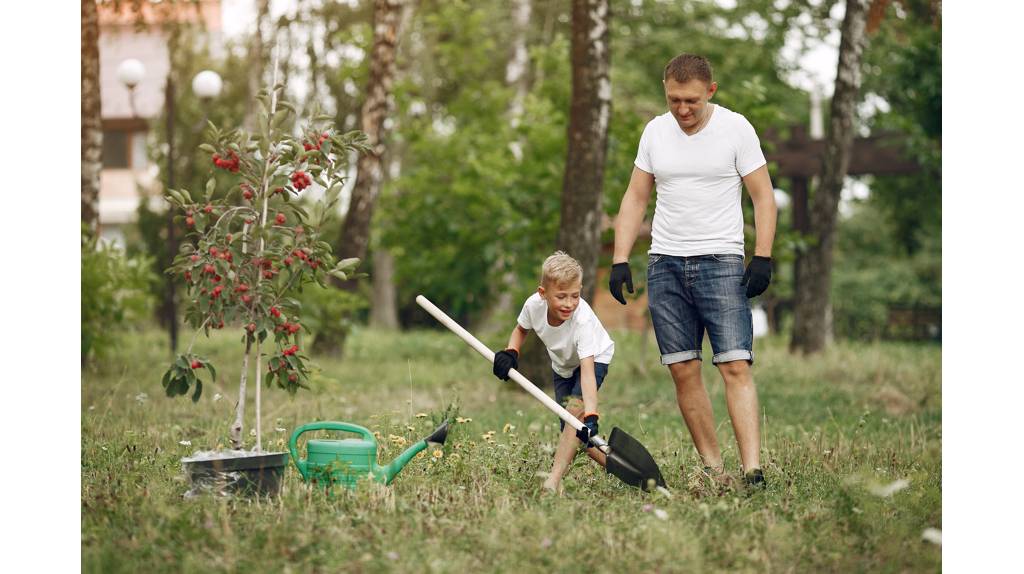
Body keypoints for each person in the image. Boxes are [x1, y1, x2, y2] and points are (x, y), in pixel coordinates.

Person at [608, 53, 777, 489]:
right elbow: (635, 197)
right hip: (665, 264)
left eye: (691, 102)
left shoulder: (736, 129)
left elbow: (762, 196)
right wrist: (620, 257)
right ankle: (713, 468)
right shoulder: (655, 131)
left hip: (721, 262)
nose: (682, 110)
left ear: (711, 92)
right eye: (674, 100)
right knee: (683, 368)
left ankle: (752, 470)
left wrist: (762, 255)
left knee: (734, 365)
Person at [492, 251, 616, 494]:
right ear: (543, 294)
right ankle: (623, 471)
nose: (569, 303)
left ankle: (552, 482)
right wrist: (511, 353)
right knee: (575, 437)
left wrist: (591, 414)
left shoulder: (582, 320)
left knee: (575, 416)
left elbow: (588, 371)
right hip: (562, 366)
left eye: (575, 296)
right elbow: (520, 329)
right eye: (561, 296)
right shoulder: (533, 306)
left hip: (594, 358)